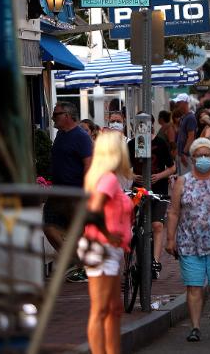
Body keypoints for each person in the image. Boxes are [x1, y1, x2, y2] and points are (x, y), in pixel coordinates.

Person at [166, 138, 210, 342]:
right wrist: (170, 239)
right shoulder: (183, 182)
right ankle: (195, 327)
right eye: (199, 155)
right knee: (194, 286)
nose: (203, 159)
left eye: (207, 155)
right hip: (189, 242)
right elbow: (174, 212)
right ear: (192, 158)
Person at [80, 131, 134, 354]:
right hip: (103, 246)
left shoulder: (102, 177)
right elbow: (92, 210)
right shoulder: (108, 179)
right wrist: (108, 233)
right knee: (102, 309)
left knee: (113, 308)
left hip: (106, 247)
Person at [44, 102, 94, 283]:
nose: (53, 118)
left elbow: (89, 165)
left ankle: (83, 266)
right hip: (58, 191)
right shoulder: (59, 135)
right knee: (48, 227)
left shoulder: (81, 137)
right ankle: (78, 262)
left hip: (75, 192)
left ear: (67, 116)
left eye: (56, 114)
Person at [133, 110, 176, 279]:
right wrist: (132, 176)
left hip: (159, 190)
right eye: (139, 123)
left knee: (157, 225)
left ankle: (155, 262)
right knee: (134, 227)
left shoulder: (161, 142)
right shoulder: (131, 144)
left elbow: (172, 167)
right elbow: (122, 166)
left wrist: (159, 176)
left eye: (146, 123)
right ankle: (136, 261)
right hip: (138, 190)